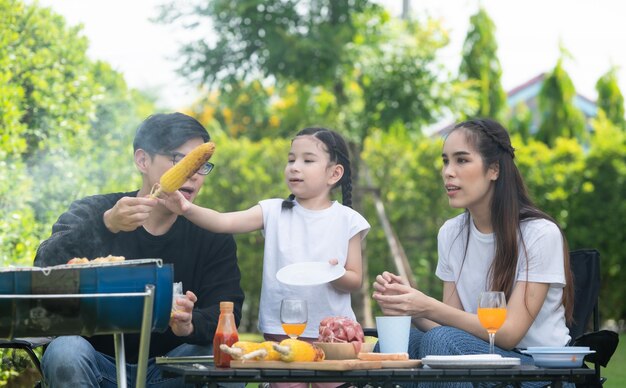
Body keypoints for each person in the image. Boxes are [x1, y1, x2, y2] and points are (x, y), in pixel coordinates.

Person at [34, 112, 245, 388]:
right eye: (178, 160)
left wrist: (191, 322)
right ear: (143, 160)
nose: (192, 174)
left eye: (201, 164)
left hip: (171, 369)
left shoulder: (210, 232)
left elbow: (227, 310)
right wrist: (106, 224)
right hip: (97, 364)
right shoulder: (96, 210)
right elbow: (45, 266)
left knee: (225, 359)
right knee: (65, 351)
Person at [373, 118, 574, 387]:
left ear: (494, 170)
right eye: (445, 161)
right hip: (483, 355)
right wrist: (410, 306)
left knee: (440, 342)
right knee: (394, 345)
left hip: (538, 372)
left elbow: (509, 333)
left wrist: (428, 305)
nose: (448, 171)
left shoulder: (538, 234)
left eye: (462, 160)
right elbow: (449, 326)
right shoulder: (452, 233)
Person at [161, 127, 370, 346]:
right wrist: (185, 208)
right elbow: (224, 222)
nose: (294, 167)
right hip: (282, 330)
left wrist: (333, 273)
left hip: (335, 334)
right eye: (291, 160)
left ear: (334, 173)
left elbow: (355, 280)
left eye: (307, 161)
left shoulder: (348, 219)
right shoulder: (273, 211)